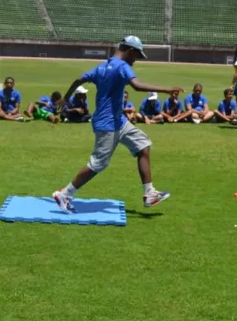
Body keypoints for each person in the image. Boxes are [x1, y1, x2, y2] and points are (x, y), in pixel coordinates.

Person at [52, 36, 182, 213]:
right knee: (98, 164)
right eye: (136, 55)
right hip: (108, 123)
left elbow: (79, 79)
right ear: (129, 50)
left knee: (143, 145)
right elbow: (136, 86)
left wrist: (66, 98)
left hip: (118, 120)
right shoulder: (122, 67)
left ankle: (149, 193)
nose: (136, 60)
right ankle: (65, 194)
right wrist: (167, 90)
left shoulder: (102, 66)